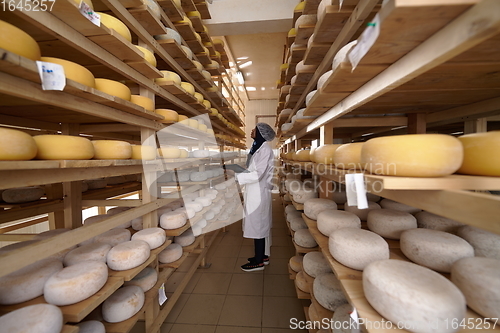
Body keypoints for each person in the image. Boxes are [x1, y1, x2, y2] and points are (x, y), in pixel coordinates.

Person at [230, 122, 276, 272]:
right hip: (255, 191)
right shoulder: (258, 147)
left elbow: (258, 174)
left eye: (254, 129)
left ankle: (258, 262)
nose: (251, 130)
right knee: (258, 225)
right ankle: (262, 256)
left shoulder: (265, 150)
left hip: (259, 193)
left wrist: (237, 177)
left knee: (258, 226)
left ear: (261, 133)